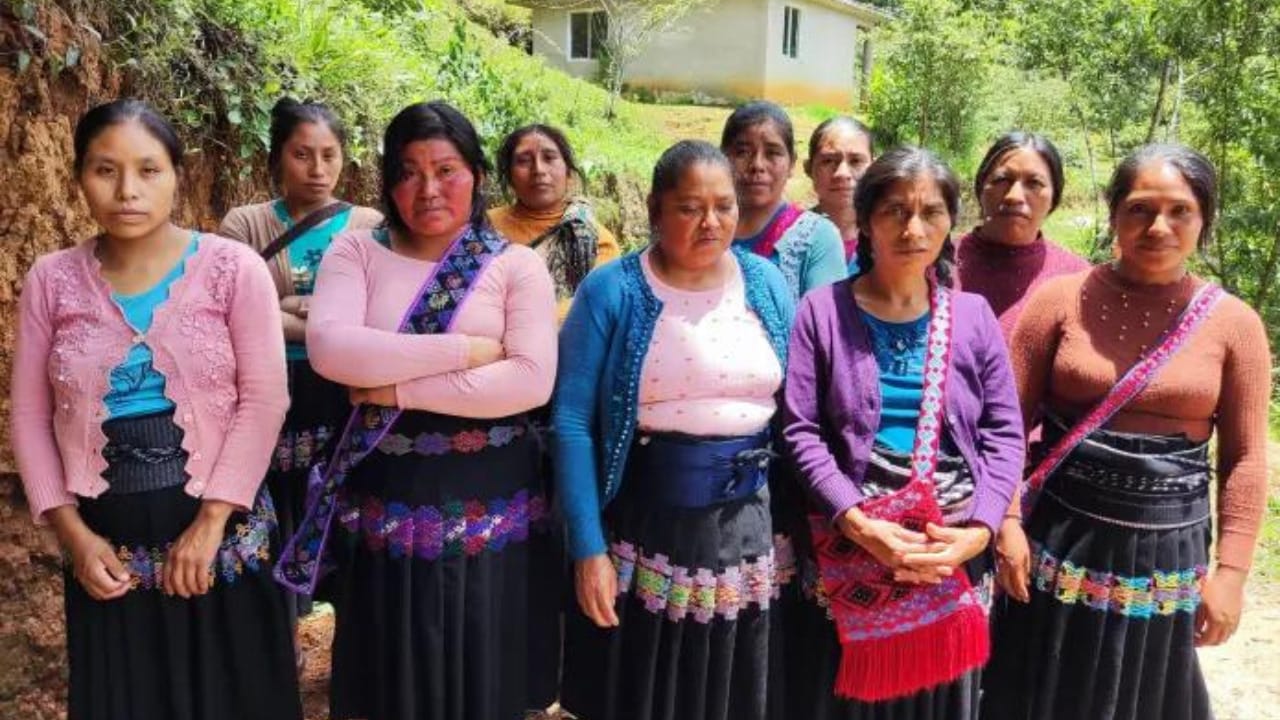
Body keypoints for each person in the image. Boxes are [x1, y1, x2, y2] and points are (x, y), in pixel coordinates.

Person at [10, 99, 300, 720]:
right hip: (106, 545)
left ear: (177, 175)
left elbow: (265, 398)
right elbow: (30, 418)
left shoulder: (231, 269)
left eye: (148, 170)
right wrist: (74, 536)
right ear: (79, 178)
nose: (126, 191)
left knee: (236, 693)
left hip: (221, 532)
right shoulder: (51, 279)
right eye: (104, 170)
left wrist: (212, 521)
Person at [276, 100, 560, 720]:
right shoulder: (357, 253)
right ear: (387, 180)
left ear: (478, 176)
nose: (427, 189)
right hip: (386, 504)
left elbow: (531, 381)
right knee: (390, 660)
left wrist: (395, 389)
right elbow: (332, 349)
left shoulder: (516, 267)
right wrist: (468, 352)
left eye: (446, 169)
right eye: (408, 171)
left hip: (491, 504)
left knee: (479, 657)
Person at [982, 144, 1271, 720]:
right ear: (1114, 213)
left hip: (1167, 554)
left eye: (1179, 211)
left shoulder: (1235, 326)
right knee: (1039, 690)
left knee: (1145, 695)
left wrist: (1232, 574)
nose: (1157, 227)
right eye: (1139, 209)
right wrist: (1006, 522)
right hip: (1055, 547)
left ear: (1203, 220)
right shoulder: (1059, 302)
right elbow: (1004, 425)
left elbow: (1245, 459)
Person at [778, 147, 1023, 720]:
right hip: (852, 543)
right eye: (894, 211)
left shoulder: (973, 316)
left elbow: (1004, 433)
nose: (913, 228)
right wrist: (860, 525)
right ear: (865, 220)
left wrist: (980, 532)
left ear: (950, 222)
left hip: (950, 547)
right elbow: (802, 431)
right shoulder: (823, 312)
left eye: (930, 212)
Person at [554, 140, 795, 720]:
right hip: (648, 525)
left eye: (724, 205)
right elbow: (570, 423)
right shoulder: (613, 290)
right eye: (689, 207)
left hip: (748, 526)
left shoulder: (764, 283)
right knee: (647, 685)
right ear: (657, 212)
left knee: (730, 686)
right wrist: (588, 548)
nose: (710, 222)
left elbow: (795, 409)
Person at [218, 97, 382, 642]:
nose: (317, 169)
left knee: (344, 512)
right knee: (273, 512)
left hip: (344, 394)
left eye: (329, 155)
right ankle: (278, 643)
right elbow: (233, 312)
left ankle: (354, 649)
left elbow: (376, 316)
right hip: (269, 392)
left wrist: (283, 309)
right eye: (302, 154)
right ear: (277, 158)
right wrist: (321, 318)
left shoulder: (367, 226)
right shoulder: (245, 223)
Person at [955, 132, 1090, 341]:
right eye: (1002, 180)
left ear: (1054, 198)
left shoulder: (1078, 280)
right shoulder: (936, 264)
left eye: (1034, 183)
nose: (1014, 196)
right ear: (981, 187)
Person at [488, 123, 622, 321]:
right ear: (509, 177)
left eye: (549, 158)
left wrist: (522, 325)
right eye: (524, 161)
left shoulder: (596, 241)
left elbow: (597, 307)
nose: (538, 170)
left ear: (569, 173)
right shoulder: (483, 226)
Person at [722, 101, 848, 299]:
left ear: (791, 164)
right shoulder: (702, 228)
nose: (757, 165)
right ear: (722, 159)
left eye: (773, 153)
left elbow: (824, 325)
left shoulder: (817, 238)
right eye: (743, 152)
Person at [804, 116, 874, 273]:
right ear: (808, 168)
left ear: (873, 169)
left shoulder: (887, 240)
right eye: (828, 161)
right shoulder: (789, 239)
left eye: (856, 161)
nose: (842, 173)